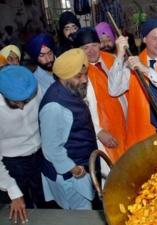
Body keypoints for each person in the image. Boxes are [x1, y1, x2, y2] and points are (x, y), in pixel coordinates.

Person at [108, 18, 157, 147]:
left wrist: (145, 69)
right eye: (154, 38)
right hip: (142, 134)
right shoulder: (132, 64)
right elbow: (114, 89)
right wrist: (120, 54)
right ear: (144, 39)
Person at [39, 48, 97, 209]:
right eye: (79, 76)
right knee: (80, 216)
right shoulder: (54, 106)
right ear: (63, 77)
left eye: (85, 74)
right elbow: (51, 148)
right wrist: (72, 168)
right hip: (68, 175)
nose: (85, 80)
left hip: (79, 165)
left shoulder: (69, 89)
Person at [0, 65, 54, 224]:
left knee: (48, 205)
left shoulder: (34, 88)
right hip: (11, 164)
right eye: (16, 102)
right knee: (22, 213)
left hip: (40, 155)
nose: (22, 106)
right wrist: (13, 191)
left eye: (26, 101)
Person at [73, 27, 127, 164]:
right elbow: (79, 110)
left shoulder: (113, 60)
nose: (91, 51)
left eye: (94, 45)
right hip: (102, 134)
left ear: (100, 45)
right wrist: (98, 132)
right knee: (110, 173)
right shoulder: (77, 74)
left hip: (125, 125)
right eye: (85, 47)